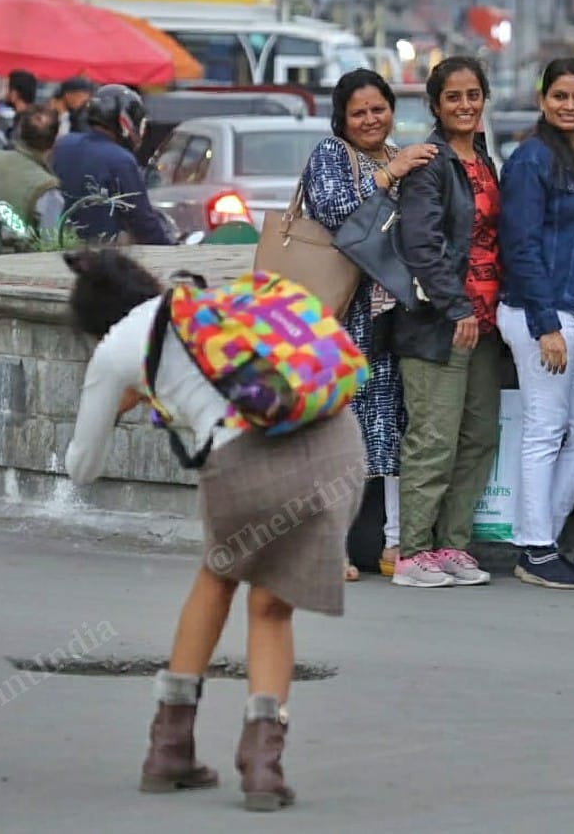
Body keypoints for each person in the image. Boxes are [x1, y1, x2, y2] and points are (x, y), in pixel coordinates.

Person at [63, 248, 364, 812]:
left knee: (219, 573)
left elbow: (83, 466)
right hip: (332, 447)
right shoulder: (207, 303)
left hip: (242, 465)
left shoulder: (117, 350)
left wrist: (130, 394)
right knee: (271, 606)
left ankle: (170, 744)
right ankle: (263, 765)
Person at [301, 69, 438, 580]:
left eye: (377, 108)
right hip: (338, 319)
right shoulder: (331, 154)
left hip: (388, 323)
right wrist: (390, 174)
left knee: (390, 431)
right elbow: (336, 211)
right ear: (342, 117)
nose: (370, 119)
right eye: (358, 112)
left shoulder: (399, 153)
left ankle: (392, 545)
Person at [498, 58, 574, 590]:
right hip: (541, 309)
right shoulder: (531, 159)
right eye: (560, 96)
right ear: (543, 99)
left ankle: (542, 537)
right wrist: (544, 323)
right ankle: (536, 548)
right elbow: (519, 245)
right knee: (546, 428)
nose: (570, 105)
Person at [391, 56, 501, 588]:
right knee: (433, 437)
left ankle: (451, 546)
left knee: (477, 436)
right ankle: (413, 552)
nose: (465, 105)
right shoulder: (429, 163)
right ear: (435, 105)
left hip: (485, 322)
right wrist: (455, 305)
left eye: (473, 95)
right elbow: (421, 243)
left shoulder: (482, 158)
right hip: (440, 321)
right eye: (454, 97)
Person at [52, 84, 172, 245]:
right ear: (125, 121)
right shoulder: (120, 160)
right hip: (100, 255)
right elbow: (143, 221)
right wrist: (171, 250)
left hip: (56, 241)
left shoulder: (64, 144)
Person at [0, 105, 64, 256]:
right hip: (11, 275)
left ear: (20, 131)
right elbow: (49, 251)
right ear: (55, 140)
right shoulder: (47, 189)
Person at [4, 69, 38, 138]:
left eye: (8, 89)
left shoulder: (27, 122)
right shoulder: (30, 116)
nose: (6, 94)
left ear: (15, 93)